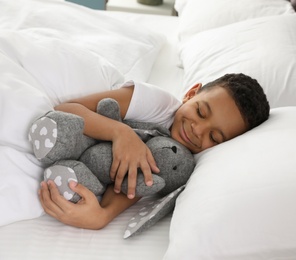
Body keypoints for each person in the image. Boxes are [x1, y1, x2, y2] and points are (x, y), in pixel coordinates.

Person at [38, 73, 270, 229]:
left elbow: (138, 180)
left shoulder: (188, 160)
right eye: (200, 111)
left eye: (214, 137)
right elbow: (65, 109)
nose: (198, 130)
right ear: (191, 94)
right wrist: (122, 133)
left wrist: (103, 215)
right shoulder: (159, 104)